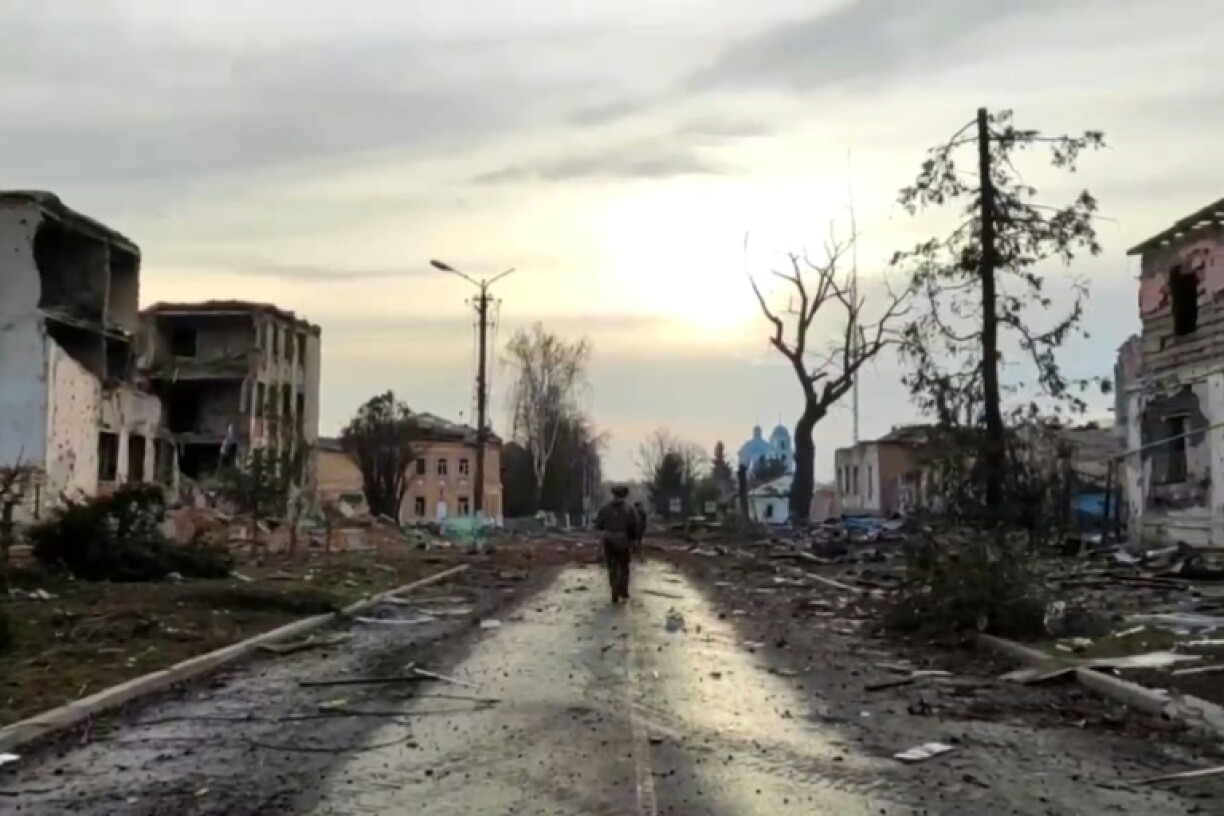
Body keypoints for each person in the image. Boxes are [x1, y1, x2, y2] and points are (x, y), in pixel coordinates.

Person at [594, 485, 639, 603]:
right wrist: (634, 541)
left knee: (612, 567)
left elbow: (598, 525)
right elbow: (634, 526)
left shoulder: (605, 509)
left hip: (609, 540)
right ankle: (623, 590)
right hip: (623, 541)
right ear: (625, 496)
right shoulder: (629, 509)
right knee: (624, 567)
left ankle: (614, 589)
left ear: (613, 495)